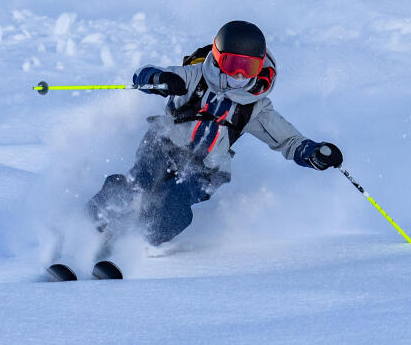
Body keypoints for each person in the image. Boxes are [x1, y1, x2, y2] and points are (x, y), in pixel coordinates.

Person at [87, 21, 344, 247]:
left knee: (173, 203)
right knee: (140, 183)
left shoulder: (256, 105)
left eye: (249, 67)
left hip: (206, 168)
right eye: (232, 65)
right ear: (218, 58)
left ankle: (136, 240)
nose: (240, 76)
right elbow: (143, 76)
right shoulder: (195, 75)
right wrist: (161, 79)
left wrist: (312, 152)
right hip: (163, 144)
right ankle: (92, 223)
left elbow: (287, 139)